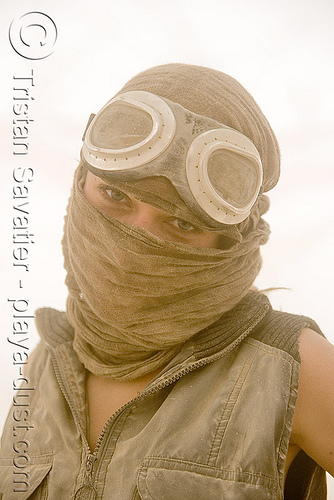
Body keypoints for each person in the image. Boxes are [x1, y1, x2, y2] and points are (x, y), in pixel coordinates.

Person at [1, 63, 333, 499]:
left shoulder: (292, 368)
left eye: (180, 222)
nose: (131, 246)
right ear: (81, 182)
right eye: (115, 196)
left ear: (228, 242)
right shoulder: (46, 362)